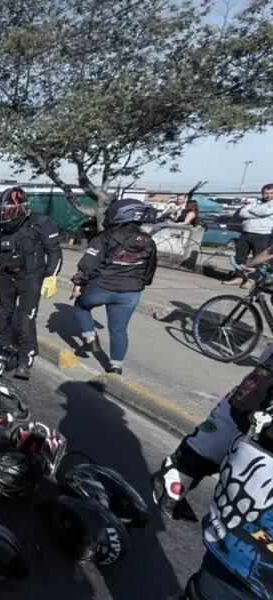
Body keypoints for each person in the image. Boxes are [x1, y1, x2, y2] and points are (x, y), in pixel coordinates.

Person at [152, 341, 273, 598]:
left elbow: (242, 404)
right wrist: (186, 465)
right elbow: (247, 400)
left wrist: (186, 464)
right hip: (244, 547)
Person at [0, 187, 62, 380]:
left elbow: (54, 251)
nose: (5, 217)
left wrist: (51, 276)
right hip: (7, 276)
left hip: (31, 277)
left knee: (24, 319)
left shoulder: (40, 224)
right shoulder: (0, 228)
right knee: (3, 315)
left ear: (22, 209)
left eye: (9, 212)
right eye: (2, 213)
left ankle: (25, 358)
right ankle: (2, 349)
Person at [69, 199, 157, 375]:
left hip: (101, 287)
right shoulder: (148, 241)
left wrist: (79, 282)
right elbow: (150, 269)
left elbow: (89, 263)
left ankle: (90, 338)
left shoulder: (105, 237)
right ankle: (115, 366)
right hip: (130, 292)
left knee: (80, 306)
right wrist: (142, 283)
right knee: (119, 330)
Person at [224, 183, 273, 288]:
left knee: (258, 258)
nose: (268, 195)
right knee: (240, 256)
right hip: (246, 231)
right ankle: (239, 277)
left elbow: (264, 212)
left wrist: (251, 212)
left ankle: (252, 280)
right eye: (266, 193)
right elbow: (242, 212)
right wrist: (257, 215)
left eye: (271, 193)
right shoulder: (256, 201)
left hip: (263, 233)